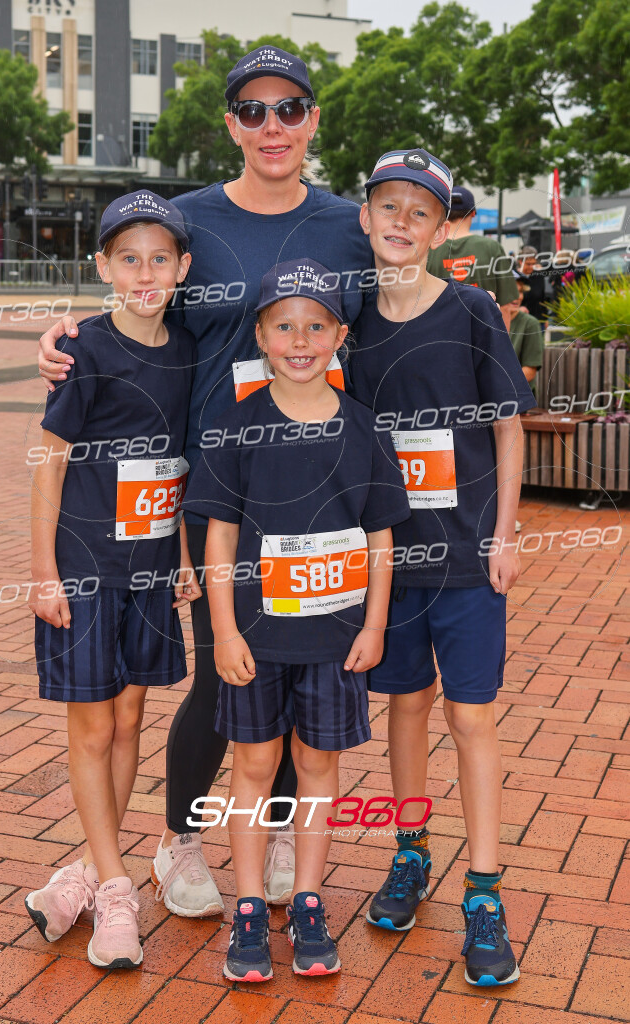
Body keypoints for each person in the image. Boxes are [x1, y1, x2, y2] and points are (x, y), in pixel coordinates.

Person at [35, 46, 373, 918]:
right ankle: (178, 838)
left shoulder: (350, 226)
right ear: (231, 124)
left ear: (311, 119)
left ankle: (284, 839)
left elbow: (385, 327)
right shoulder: (187, 219)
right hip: (212, 487)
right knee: (226, 672)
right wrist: (64, 336)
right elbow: (134, 303)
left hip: (316, 485)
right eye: (252, 110)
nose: (272, 126)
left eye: (288, 108)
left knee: (302, 662)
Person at [184, 258, 409, 981]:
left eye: (316, 326)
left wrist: (374, 624)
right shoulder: (235, 426)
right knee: (253, 767)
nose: (301, 340)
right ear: (260, 335)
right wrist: (224, 629)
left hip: (336, 640)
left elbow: (381, 537)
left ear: (340, 335)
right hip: (255, 639)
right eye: (284, 326)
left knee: (317, 766)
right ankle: (250, 906)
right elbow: (219, 537)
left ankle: (308, 900)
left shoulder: (364, 428)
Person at [349, 149, 536, 987]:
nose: (400, 221)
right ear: (365, 217)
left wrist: (504, 533)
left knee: (470, 716)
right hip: (389, 558)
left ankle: (484, 892)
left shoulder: (469, 309)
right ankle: (410, 851)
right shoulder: (349, 315)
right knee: (405, 704)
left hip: (465, 553)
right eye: (387, 206)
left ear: (439, 228)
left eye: (418, 211)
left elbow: (506, 425)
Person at [25, 191, 201, 969]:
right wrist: (43, 574)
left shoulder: (187, 350)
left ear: (182, 267)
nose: (145, 272)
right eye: (128, 258)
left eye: (160, 258)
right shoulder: (84, 350)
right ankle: (118, 891)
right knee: (93, 729)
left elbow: (180, 462)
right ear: (103, 267)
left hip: (151, 568)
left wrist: (185, 556)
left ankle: (88, 874)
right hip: (86, 569)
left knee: (130, 721)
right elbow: (49, 463)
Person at [426, 185, 519, 322]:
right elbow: (505, 306)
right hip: (482, 331)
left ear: (443, 212)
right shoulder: (492, 248)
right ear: (473, 213)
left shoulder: (428, 248)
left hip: (438, 330)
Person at [504, 273, 544, 394]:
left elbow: (529, 371)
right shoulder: (485, 321)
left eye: (520, 291)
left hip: (517, 397)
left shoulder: (530, 324)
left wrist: (496, 388)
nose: (518, 296)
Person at [515, 245, 548, 323]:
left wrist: (545, 318)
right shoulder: (514, 277)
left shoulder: (538, 276)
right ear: (520, 262)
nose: (531, 267)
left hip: (537, 320)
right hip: (518, 320)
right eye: (528, 264)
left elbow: (542, 299)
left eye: (534, 264)